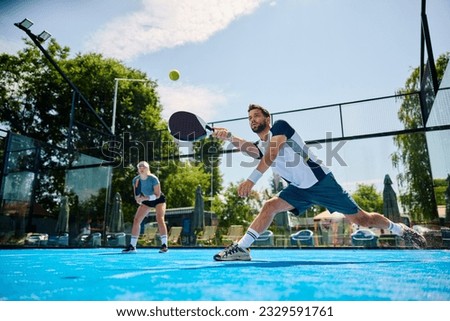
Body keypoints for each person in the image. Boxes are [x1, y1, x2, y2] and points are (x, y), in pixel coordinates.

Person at [212, 104, 427, 261]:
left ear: (267, 118)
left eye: (256, 115)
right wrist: (229, 136)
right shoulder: (262, 144)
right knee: (269, 206)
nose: (252, 120)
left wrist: (251, 181)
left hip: (322, 182)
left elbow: (270, 155)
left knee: (363, 219)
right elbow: (252, 149)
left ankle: (400, 230)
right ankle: (242, 248)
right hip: (298, 190)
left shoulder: (281, 127)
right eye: (249, 117)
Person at [122, 161, 168, 253]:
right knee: (136, 220)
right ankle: (132, 246)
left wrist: (145, 198)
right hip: (146, 200)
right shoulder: (136, 180)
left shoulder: (153, 179)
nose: (142, 168)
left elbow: (158, 195)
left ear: (148, 169)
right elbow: (137, 195)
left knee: (159, 218)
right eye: (140, 167)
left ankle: (164, 245)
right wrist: (138, 200)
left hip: (158, 200)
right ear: (138, 170)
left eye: (144, 167)